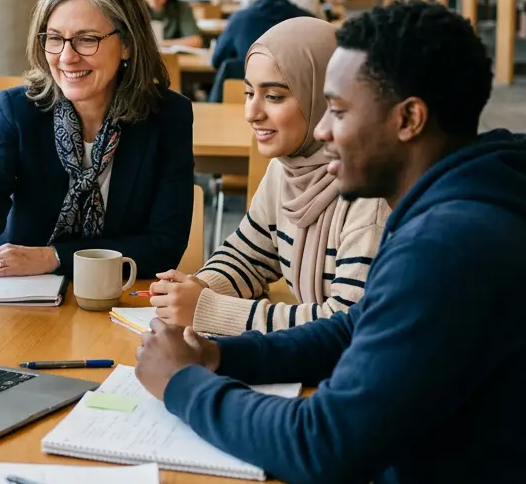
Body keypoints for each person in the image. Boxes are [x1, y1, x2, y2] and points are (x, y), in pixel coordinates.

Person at [133, 2, 526, 484]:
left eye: (339, 111)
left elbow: (326, 448)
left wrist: (181, 384)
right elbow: (355, 326)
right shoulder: (455, 205)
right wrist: (222, 359)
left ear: (408, 119)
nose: (322, 131)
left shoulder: (451, 244)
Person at [0, 0, 194, 281]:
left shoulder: (169, 117)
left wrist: (55, 257)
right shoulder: (17, 109)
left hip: (119, 297)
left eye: (87, 40)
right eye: (55, 38)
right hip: (21, 296)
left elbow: (164, 246)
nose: (66, 57)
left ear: (128, 43)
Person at [146, 18, 389, 334]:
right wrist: (198, 286)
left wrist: (208, 308)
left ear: (325, 97)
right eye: (248, 93)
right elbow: (248, 256)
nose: (251, 112)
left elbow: (346, 325)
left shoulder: (370, 193)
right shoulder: (286, 167)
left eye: (274, 96)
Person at [209, 0, 310, 99]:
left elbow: (217, 60)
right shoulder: (305, 19)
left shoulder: (239, 19)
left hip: (246, 99)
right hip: (295, 102)